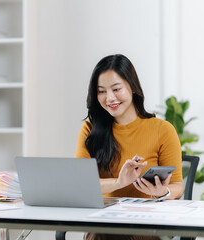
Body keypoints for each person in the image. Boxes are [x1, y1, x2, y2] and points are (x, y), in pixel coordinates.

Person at [75, 54, 183, 240]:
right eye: (101, 91)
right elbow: (81, 185)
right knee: (104, 232)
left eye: (116, 89)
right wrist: (120, 182)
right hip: (104, 224)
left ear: (132, 87)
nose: (109, 98)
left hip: (147, 223)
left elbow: (177, 186)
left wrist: (162, 192)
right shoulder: (90, 130)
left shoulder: (163, 130)